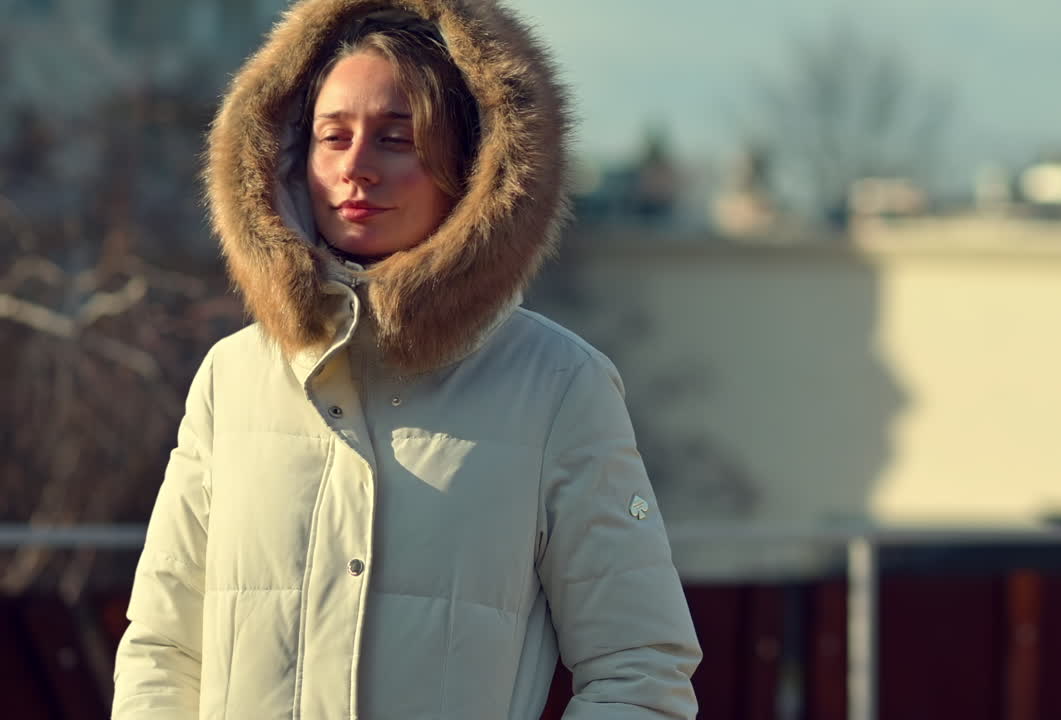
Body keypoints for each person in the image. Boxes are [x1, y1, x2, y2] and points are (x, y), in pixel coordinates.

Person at [110, 1, 702, 718]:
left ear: (473, 166)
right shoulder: (232, 379)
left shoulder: (558, 386)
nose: (357, 168)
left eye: (397, 139)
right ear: (291, 158)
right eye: (334, 137)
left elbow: (640, 670)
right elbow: (163, 651)